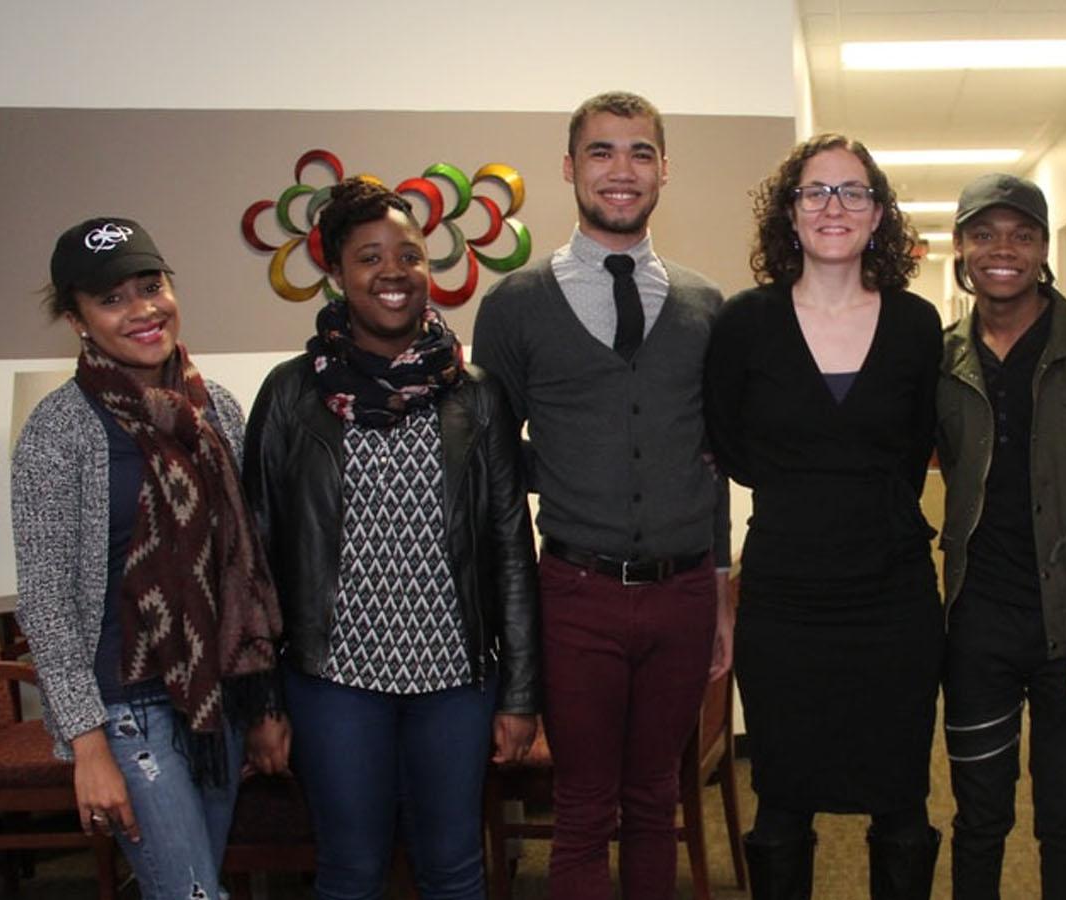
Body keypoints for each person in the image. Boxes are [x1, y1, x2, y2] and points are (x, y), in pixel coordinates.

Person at [242, 176, 538, 900]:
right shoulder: (289, 395)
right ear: (338, 274)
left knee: (455, 868)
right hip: (334, 684)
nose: (393, 272)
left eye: (409, 253)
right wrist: (262, 703)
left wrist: (521, 693)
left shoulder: (478, 395)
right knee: (350, 869)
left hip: (456, 684)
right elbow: (251, 559)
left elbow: (510, 550)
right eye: (369, 257)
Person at [472, 90, 732, 900]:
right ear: (570, 168)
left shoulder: (705, 306)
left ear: (663, 170)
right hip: (576, 593)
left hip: (684, 593)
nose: (622, 171)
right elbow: (494, 463)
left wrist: (721, 593)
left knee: (654, 801)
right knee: (584, 808)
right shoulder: (515, 306)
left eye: (640, 153)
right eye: (602, 152)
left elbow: (712, 459)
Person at [12, 217, 283, 900]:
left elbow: (247, 564)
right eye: (111, 299)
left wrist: (262, 704)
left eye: (150, 285)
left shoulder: (214, 409)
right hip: (124, 709)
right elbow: (44, 602)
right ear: (76, 319)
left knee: (192, 887)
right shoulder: (59, 427)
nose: (142, 310)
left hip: (213, 705)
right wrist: (88, 746)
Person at [704, 133, 943, 900]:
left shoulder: (915, 324)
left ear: (879, 216)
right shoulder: (743, 324)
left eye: (853, 192)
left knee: (902, 801)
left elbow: (913, 454)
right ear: (790, 213)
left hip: (893, 597)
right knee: (783, 801)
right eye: (815, 192)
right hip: (785, 599)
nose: (833, 207)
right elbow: (729, 447)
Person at [935, 174, 1066, 900]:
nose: (1002, 250)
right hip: (977, 622)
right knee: (979, 818)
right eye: (984, 234)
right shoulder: (942, 354)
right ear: (960, 247)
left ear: (1045, 248)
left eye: (1021, 234)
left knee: (1064, 818)